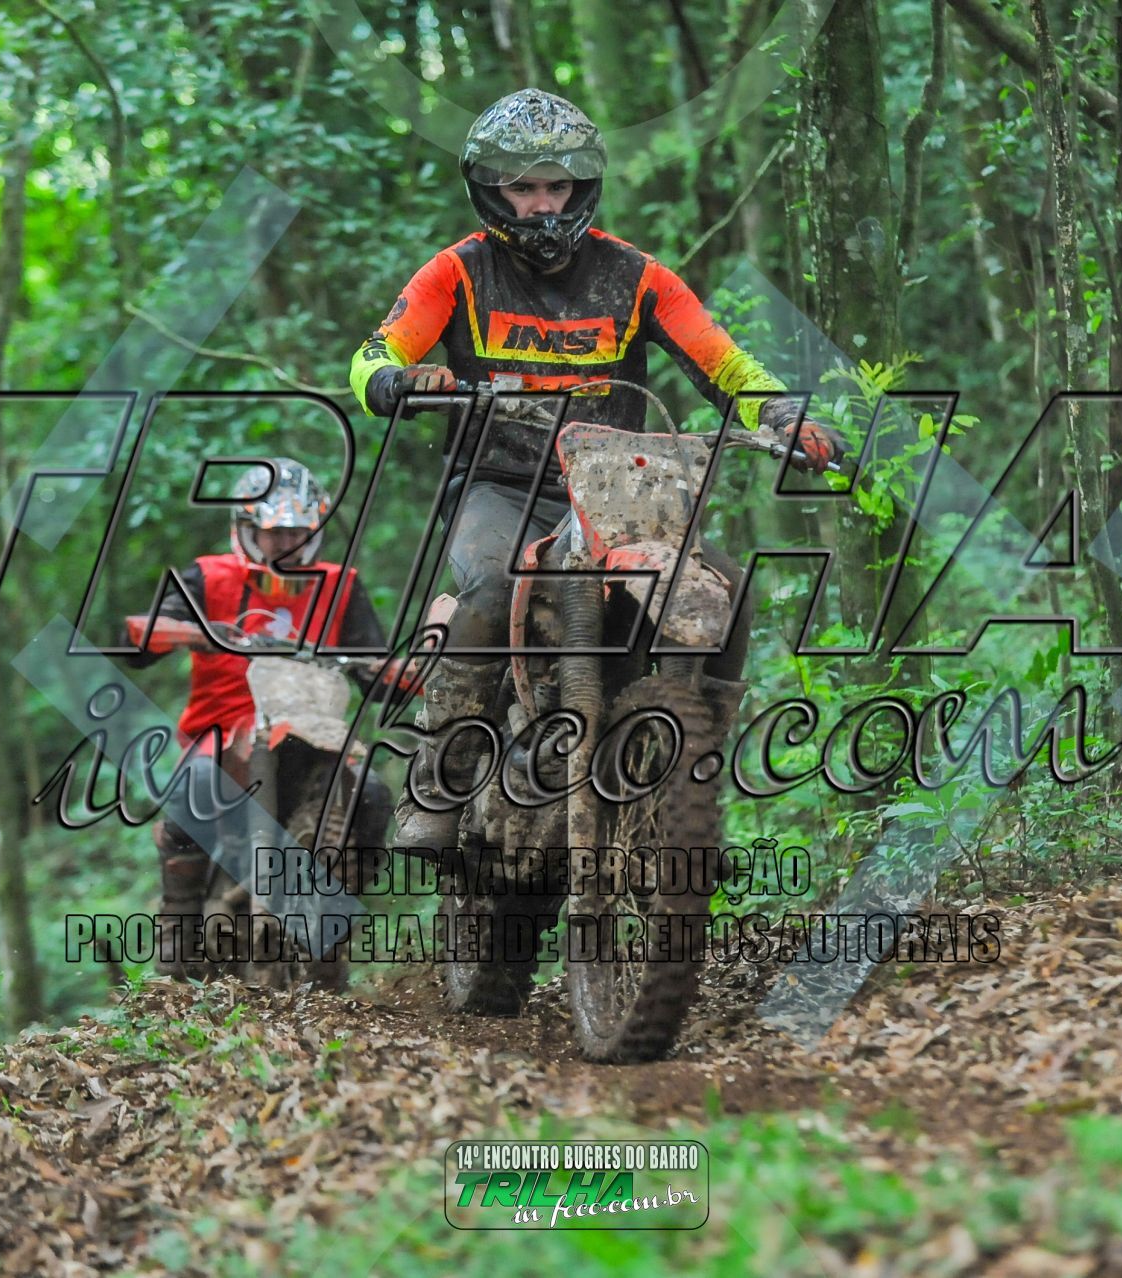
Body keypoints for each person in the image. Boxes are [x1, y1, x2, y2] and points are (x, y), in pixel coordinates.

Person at [348, 89, 843, 850]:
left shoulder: (637, 276)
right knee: (490, 585)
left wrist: (781, 414)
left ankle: (695, 780)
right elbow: (374, 352)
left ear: (583, 186)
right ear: (491, 190)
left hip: (620, 489)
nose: (543, 204)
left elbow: (724, 362)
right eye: (523, 187)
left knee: (729, 589)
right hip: (502, 483)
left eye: (557, 185)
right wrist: (394, 381)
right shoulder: (456, 273)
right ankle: (443, 779)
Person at [125, 458, 393, 977]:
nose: (285, 543)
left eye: (296, 531)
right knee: (193, 784)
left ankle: (340, 908)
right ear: (247, 530)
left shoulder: (340, 584)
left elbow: (376, 674)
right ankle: (177, 934)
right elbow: (142, 644)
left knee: (372, 792)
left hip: (311, 729)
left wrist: (399, 671)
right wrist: (170, 631)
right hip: (225, 731)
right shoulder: (208, 577)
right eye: (274, 532)